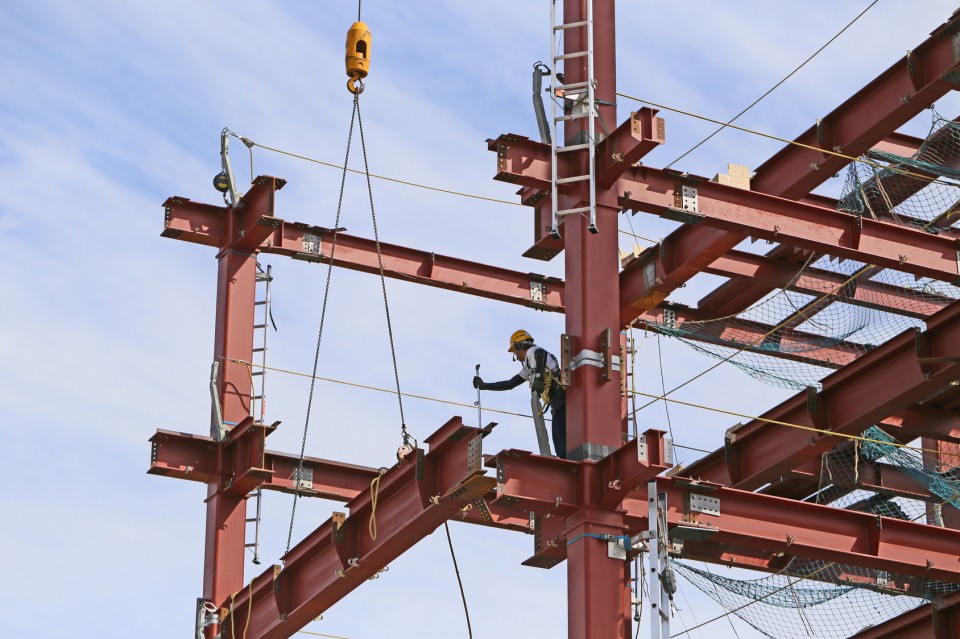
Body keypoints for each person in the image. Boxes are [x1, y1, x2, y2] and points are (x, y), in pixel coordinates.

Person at [473, 329, 567, 459]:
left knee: (560, 435)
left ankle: (566, 460)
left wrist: (538, 376)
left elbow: (540, 353)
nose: (516, 356)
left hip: (560, 395)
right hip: (558, 398)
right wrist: (485, 386)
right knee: (559, 434)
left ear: (518, 345)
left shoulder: (532, 352)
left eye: (515, 351)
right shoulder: (529, 365)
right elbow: (511, 383)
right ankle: (566, 458)